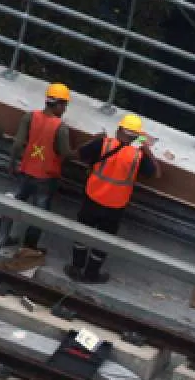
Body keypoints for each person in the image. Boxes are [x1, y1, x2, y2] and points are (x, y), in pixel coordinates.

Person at [69, 113, 161, 282]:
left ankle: (76, 268)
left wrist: (93, 139)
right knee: (104, 241)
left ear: (119, 130)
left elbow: (76, 154)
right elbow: (155, 173)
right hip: (114, 207)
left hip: (93, 198)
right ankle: (91, 274)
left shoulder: (103, 144)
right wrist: (146, 150)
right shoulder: (137, 156)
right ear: (137, 136)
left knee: (81, 233)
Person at [0, 82, 76, 254]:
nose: (64, 109)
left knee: (13, 203)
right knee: (39, 215)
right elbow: (66, 153)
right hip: (46, 178)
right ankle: (29, 247)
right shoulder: (61, 127)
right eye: (64, 105)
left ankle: (3, 236)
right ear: (58, 104)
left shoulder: (30, 117)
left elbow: (18, 144)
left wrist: (12, 164)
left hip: (25, 171)